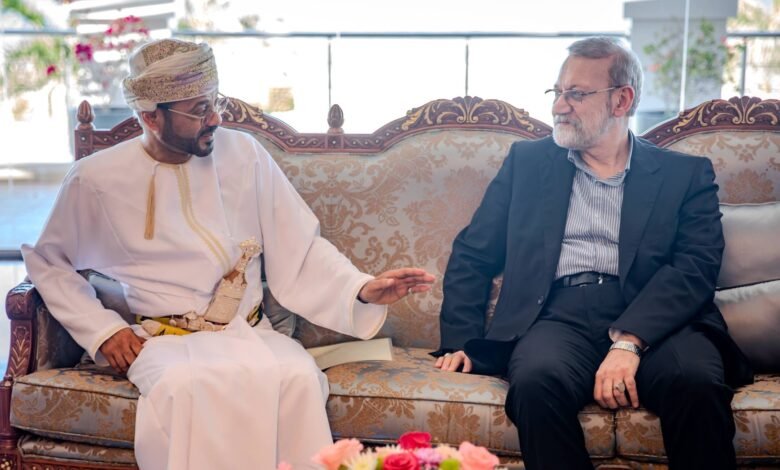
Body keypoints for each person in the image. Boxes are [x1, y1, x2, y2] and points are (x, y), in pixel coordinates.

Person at [22, 38, 434, 470]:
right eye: (199, 110)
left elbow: (300, 245)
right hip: (165, 343)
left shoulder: (244, 154)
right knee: (183, 387)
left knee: (297, 377)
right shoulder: (97, 178)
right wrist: (104, 330)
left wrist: (361, 289)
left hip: (251, 334)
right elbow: (49, 260)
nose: (215, 118)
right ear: (150, 116)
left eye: (214, 102)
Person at [433, 36, 752, 470]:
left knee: (695, 382)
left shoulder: (685, 175)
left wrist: (630, 342)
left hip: (661, 320)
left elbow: (695, 266)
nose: (559, 106)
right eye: (557, 92)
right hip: (557, 316)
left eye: (577, 94)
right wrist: (459, 341)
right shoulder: (527, 163)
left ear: (622, 100)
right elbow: (474, 252)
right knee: (535, 383)